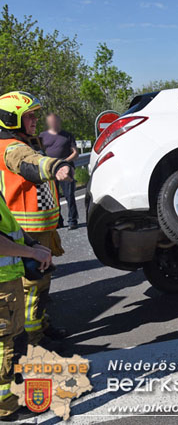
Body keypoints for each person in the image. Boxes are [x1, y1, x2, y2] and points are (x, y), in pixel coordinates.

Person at [0, 91, 73, 350]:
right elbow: (30, 164)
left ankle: (39, 327)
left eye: (34, 115)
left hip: (38, 228)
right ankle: (34, 342)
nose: (34, 120)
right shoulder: (13, 147)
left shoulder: (22, 141)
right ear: (11, 119)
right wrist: (55, 167)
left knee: (39, 287)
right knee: (33, 288)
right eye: (28, 116)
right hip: (29, 230)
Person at [0, 194, 52, 421]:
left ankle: (13, 397)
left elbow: (9, 227)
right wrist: (31, 253)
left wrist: (31, 243)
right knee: (5, 345)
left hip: (8, 282)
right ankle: (5, 407)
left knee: (16, 339)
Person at [40, 114, 79, 229]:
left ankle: (73, 220)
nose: (54, 123)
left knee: (69, 195)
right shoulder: (42, 136)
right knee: (53, 198)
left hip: (66, 169)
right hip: (50, 170)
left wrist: (63, 162)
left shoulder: (67, 136)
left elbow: (75, 153)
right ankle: (58, 221)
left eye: (56, 121)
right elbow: (38, 152)